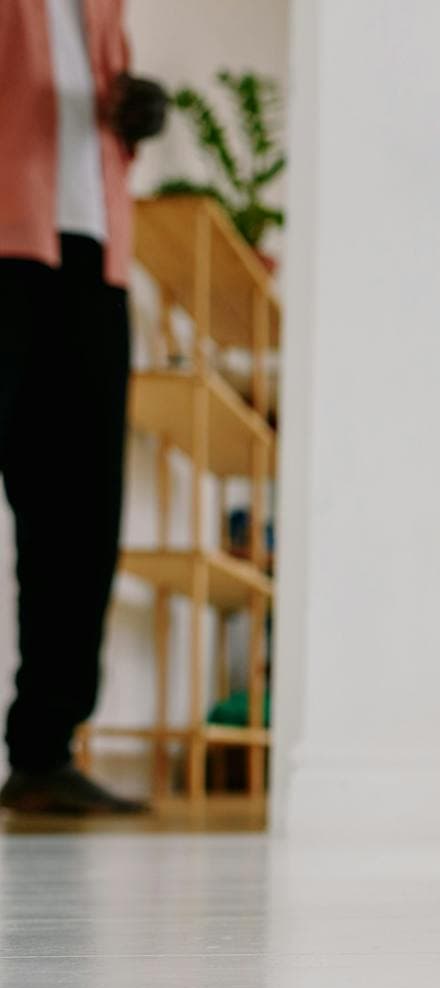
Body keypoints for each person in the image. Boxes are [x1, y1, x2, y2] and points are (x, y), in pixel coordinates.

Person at [0, 0, 166, 814]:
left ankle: (43, 748)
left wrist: (135, 114)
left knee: (79, 513)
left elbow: (100, 110)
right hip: (4, 244)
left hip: (93, 259)